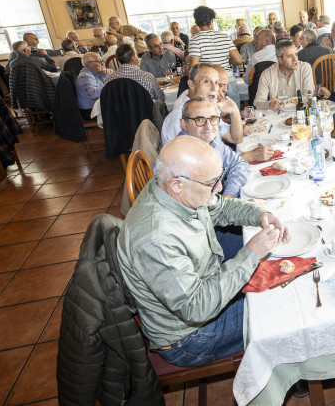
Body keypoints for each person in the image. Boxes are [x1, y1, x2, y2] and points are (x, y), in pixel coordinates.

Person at [117, 136, 289, 367]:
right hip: (189, 339)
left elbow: (222, 207)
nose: (219, 188)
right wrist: (251, 254)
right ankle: (294, 376)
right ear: (176, 184)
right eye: (212, 183)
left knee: (281, 278)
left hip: (203, 294)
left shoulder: (170, 190)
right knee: (282, 305)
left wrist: (259, 215)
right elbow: (197, 307)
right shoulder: (155, 238)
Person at [178, 97, 250, 198]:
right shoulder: (179, 159)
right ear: (184, 124)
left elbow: (239, 164)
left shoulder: (213, 141)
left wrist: (229, 195)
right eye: (199, 120)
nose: (208, 126)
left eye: (213, 119)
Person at [161, 63, 243, 147]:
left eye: (217, 83)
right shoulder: (180, 118)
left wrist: (234, 111)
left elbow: (235, 139)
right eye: (206, 82)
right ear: (191, 84)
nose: (214, 88)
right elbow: (196, 159)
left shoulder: (208, 108)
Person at [188, 5, 243, 107]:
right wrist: (226, 60)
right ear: (211, 21)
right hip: (227, 79)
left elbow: (193, 68)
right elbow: (239, 60)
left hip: (209, 83)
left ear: (196, 22)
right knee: (234, 110)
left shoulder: (195, 40)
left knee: (214, 114)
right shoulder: (224, 37)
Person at [254, 39, 315, 111]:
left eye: (296, 55)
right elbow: (257, 103)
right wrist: (269, 104)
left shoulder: (305, 68)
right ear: (280, 60)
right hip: (277, 116)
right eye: (290, 56)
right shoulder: (267, 74)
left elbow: (309, 96)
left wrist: (284, 101)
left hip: (301, 113)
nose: (295, 60)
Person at [76, 52, 111, 120]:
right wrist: (110, 86)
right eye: (99, 61)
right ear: (89, 64)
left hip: (97, 107)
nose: (103, 64)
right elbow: (94, 94)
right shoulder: (85, 76)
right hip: (90, 111)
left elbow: (105, 85)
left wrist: (108, 75)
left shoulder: (96, 73)